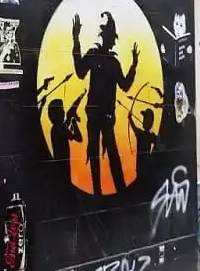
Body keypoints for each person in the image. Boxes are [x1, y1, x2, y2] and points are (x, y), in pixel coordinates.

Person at [72, 12, 139, 195]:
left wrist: (134, 66)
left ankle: (111, 190)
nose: (112, 42)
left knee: (107, 153)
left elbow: (124, 85)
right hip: (97, 114)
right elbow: (80, 72)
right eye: (110, 37)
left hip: (103, 115)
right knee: (99, 152)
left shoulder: (111, 61)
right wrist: (75, 40)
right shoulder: (99, 57)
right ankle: (106, 190)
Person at [39, 89, 86, 185]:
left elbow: (67, 121)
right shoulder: (60, 127)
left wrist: (80, 97)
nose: (64, 111)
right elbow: (79, 138)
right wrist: (74, 122)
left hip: (60, 167)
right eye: (62, 110)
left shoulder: (56, 128)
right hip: (62, 167)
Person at [129, 108, 157, 184]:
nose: (144, 121)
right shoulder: (142, 134)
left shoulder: (150, 136)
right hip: (141, 167)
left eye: (146, 119)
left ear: (151, 122)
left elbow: (158, 144)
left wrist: (130, 118)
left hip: (146, 166)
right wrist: (130, 118)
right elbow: (134, 127)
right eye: (144, 119)